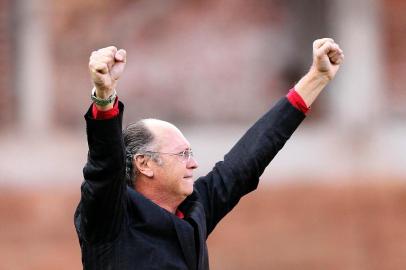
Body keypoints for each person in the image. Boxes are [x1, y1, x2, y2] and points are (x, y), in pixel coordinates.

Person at [74, 38, 344, 270]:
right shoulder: (109, 216)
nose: (194, 163)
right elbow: (104, 164)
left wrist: (316, 78)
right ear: (144, 163)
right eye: (182, 154)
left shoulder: (194, 209)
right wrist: (105, 94)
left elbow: (247, 160)